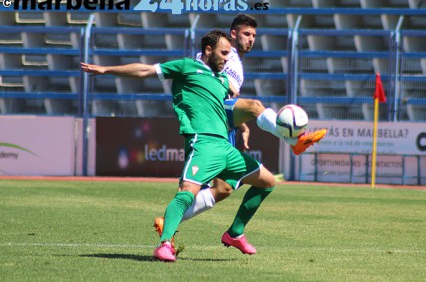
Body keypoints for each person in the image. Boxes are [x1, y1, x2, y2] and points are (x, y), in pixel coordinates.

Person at [81, 30, 276, 262]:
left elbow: (227, 108)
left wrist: (243, 125)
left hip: (225, 146)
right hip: (202, 142)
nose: (227, 58)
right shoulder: (186, 67)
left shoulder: (222, 80)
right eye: (223, 53)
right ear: (208, 50)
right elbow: (145, 70)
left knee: (267, 182)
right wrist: (106, 70)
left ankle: (235, 232)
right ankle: (164, 245)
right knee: (186, 194)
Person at [154, 14, 327, 247]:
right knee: (255, 105)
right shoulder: (221, 54)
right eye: (247, 34)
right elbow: (205, 78)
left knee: (223, 189)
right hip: (208, 120)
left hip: (223, 119)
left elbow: (225, 97)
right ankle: (293, 140)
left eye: (254, 35)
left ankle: (184, 225)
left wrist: (241, 123)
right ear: (233, 34)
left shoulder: (236, 62)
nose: (251, 39)